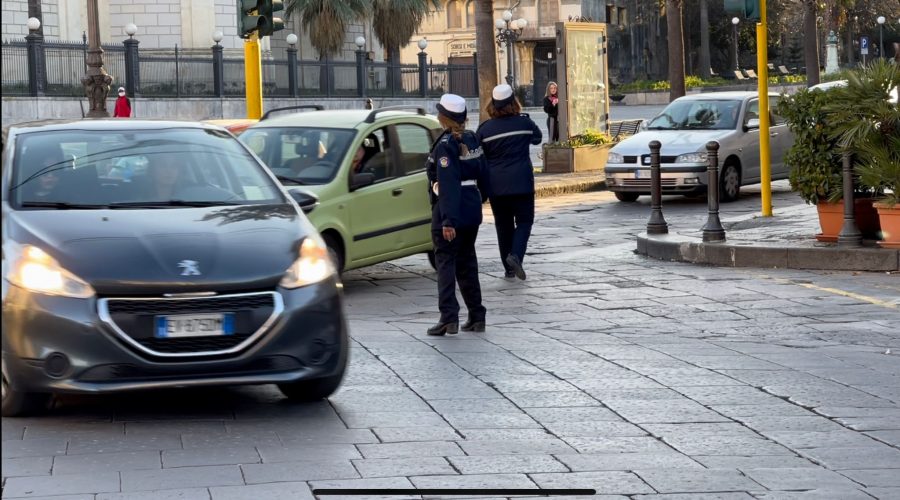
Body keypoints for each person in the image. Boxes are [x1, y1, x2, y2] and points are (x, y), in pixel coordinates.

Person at [425, 94, 489, 336]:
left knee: (446, 264)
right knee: (467, 264)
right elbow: (485, 172)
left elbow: (448, 182)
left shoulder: (445, 144)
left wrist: (448, 220)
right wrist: (478, 199)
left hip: (450, 209)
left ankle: (448, 317)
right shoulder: (472, 139)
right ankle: (476, 315)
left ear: (444, 117)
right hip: (471, 208)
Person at [476, 84, 542, 281]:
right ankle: (516, 256)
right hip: (522, 183)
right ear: (514, 102)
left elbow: (479, 156)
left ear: (492, 105)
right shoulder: (524, 123)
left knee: (503, 226)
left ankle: (508, 268)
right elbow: (538, 139)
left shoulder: (485, 129)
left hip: (496, 186)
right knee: (524, 222)